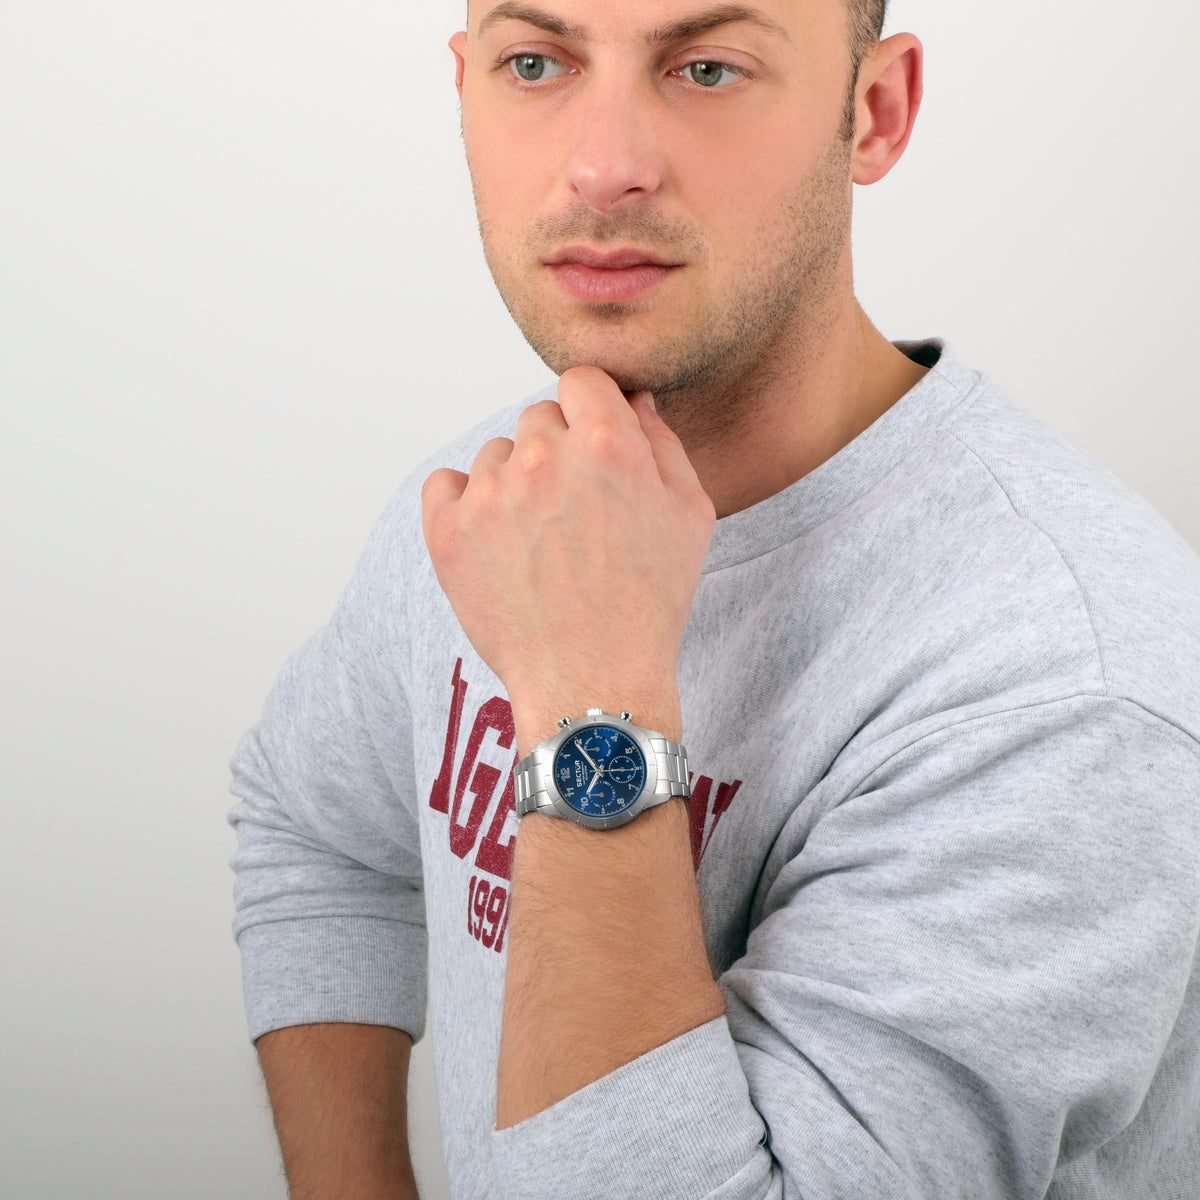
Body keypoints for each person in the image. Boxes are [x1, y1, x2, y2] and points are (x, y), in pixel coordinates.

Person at [227, 1, 1200, 1197]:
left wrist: (592, 693)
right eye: (535, 62)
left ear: (873, 113)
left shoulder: (1059, 687)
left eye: (707, 69)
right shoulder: (503, 508)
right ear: (464, 91)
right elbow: (316, 832)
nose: (605, 167)